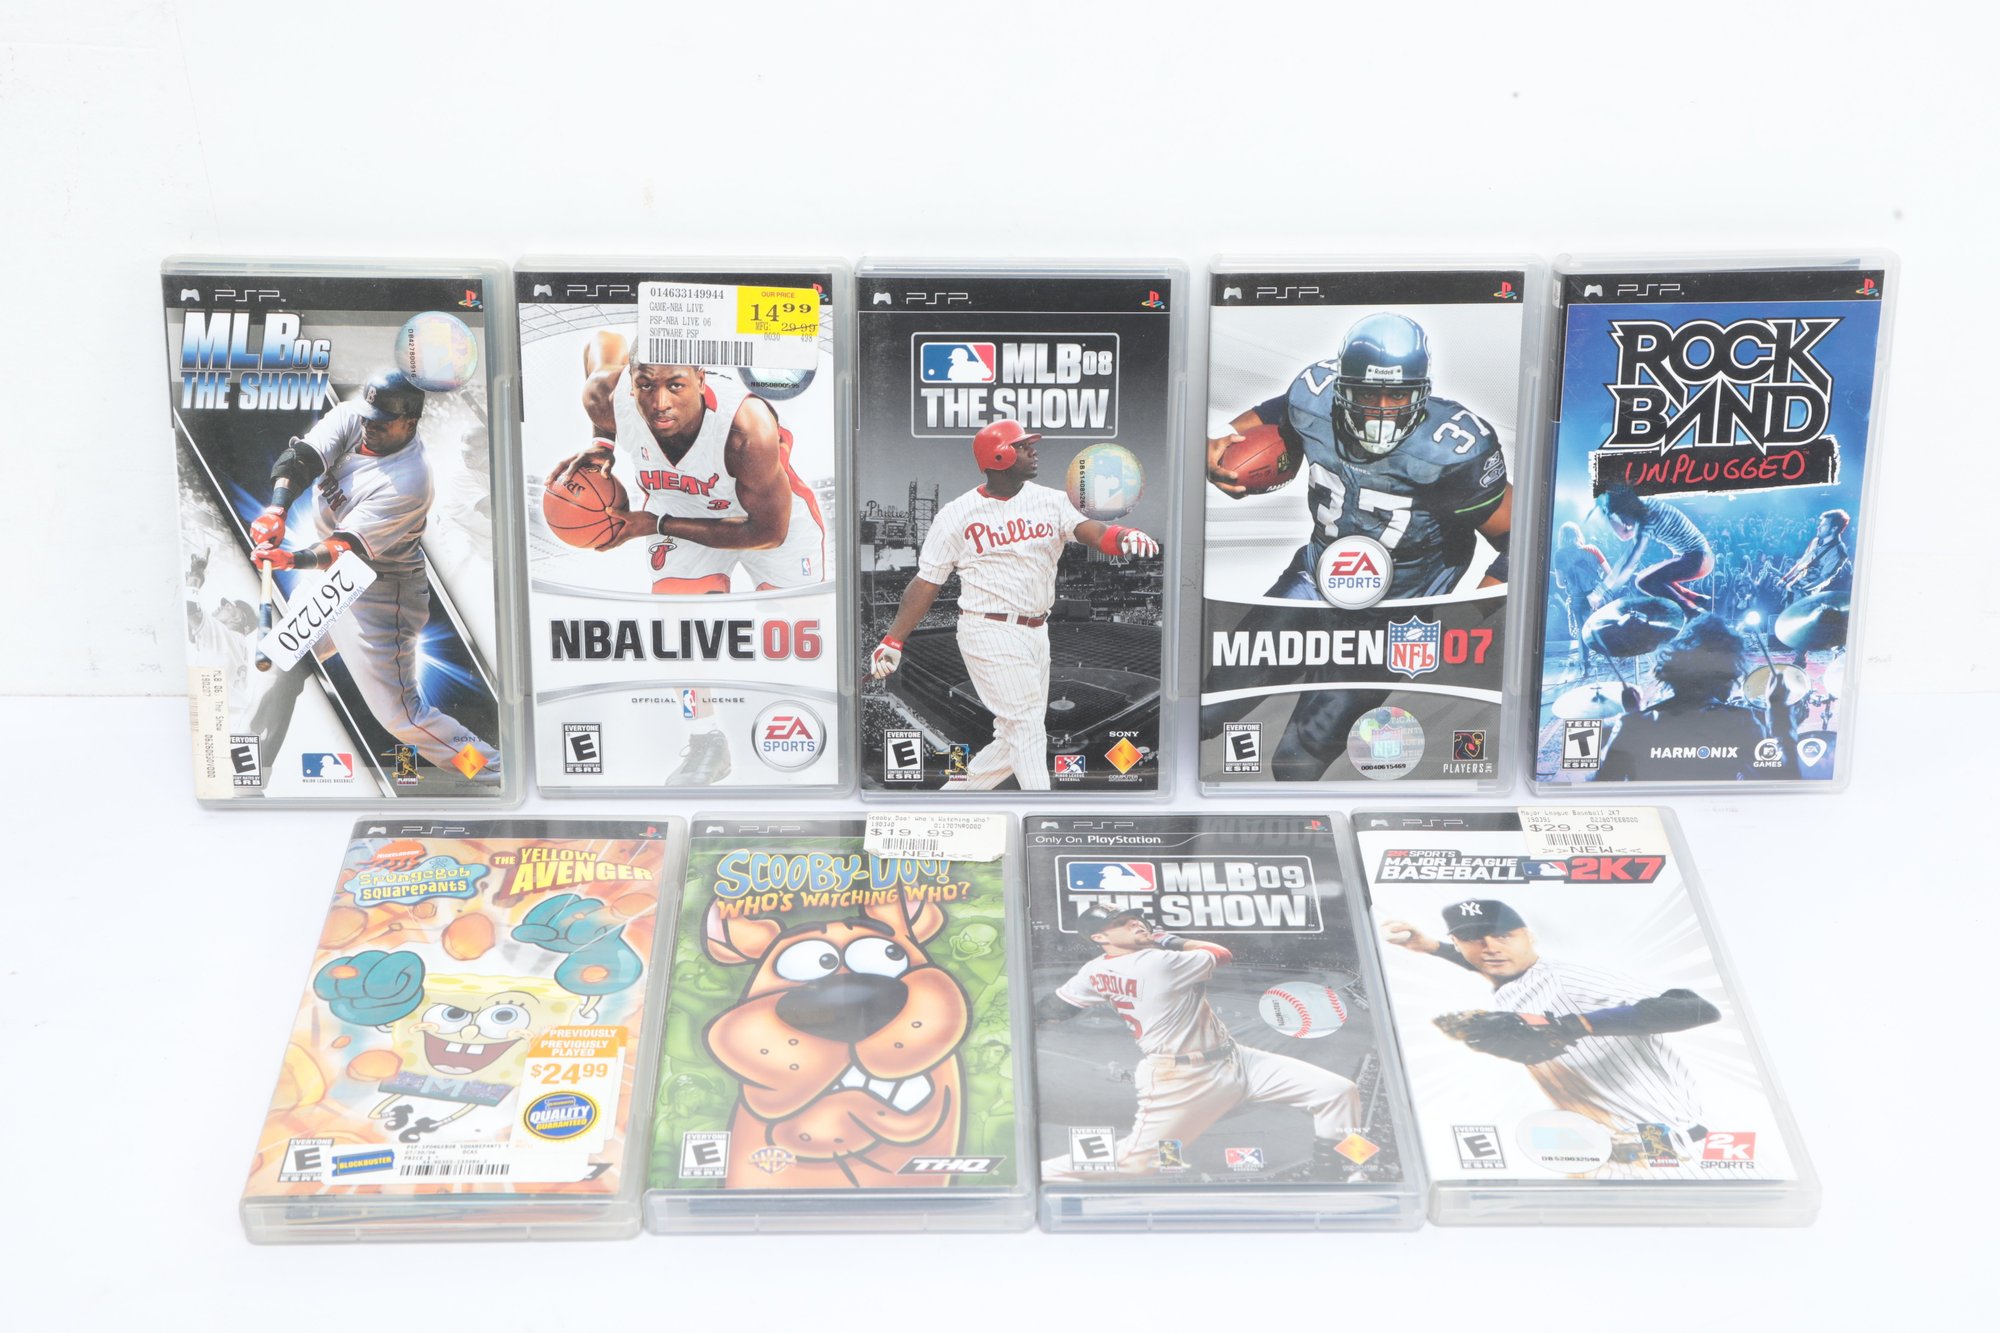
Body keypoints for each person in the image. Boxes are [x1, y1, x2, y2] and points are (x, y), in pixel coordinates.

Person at [1201, 313, 1510, 778]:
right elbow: (1245, 434)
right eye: (1367, 394)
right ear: (1343, 387)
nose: (1381, 410)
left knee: (1295, 761)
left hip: (1395, 615)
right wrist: (1217, 458)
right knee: (1210, 708)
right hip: (1313, 580)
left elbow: (1519, 544)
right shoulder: (1312, 398)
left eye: (1397, 395)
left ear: (1422, 391)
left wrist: (1457, 621)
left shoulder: (1453, 450)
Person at [868, 419, 1160, 791]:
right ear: (1000, 456)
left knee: (1012, 739)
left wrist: (1122, 536)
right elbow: (926, 582)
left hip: (1037, 632)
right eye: (1023, 446)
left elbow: (1093, 532)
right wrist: (893, 639)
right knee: (1027, 728)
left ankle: (944, 804)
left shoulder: (1051, 501)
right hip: (988, 630)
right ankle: (1043, 814)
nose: (1033, 451)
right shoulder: (956, 514)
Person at [248, 369, 500, 786]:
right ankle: (248, 773)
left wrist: (290, 559)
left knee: (403, 719)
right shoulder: (355, 417)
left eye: (382, 422)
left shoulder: (409, 480)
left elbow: (346, 548)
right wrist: (277, 508)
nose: (369, 426)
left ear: (409, 422)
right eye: (368, 416)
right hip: (332, 580)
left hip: (381, 595)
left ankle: (491, 769)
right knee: (279, 664)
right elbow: (301, 458)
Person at [1383, 899, 1719, 1167]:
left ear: (1529, 937)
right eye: (1473, 939)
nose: (1490, 948)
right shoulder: (1511, 978)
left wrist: (1574, 1025)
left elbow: (1696, 1008)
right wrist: (1431, 946)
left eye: (1503, 935)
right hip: (1607, 1148)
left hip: (1672, 1147)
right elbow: (1485, 962)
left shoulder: (1567, 981)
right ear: (1459, 943)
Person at [1040, 906, 1359, 1178]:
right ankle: (1047, 1173)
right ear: (1100, 938)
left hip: (1238, 1059)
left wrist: (1033, 1019)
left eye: (1134, 918)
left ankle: (1335, 1174)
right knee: (1136, 1163)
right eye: (1120, 923)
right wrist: (1168, 938)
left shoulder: (1094, 970)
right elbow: (1220, 953)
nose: (1135, 923)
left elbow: (1059, 1006)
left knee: (1337, 1091)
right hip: (1184, 1078)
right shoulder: (1156, 962)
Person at [1595, 614, 1797, 781]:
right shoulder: (1742, 723)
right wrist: (1779, 714)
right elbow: (1786, 779)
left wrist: (1633, 716)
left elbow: (1602, 785)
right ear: (1728, 673)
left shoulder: (1635, 725)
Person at [1592, 485, 1712, 614]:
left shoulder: (1645, 523)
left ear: (1628, 510)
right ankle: (1698, 600)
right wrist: (1609, 514)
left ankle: (1692, 611)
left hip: (1697, 560)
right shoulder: (1645, 506)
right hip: (1699, 557)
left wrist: (1606, 594)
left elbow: (1629, 563)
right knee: (1649, 576)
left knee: (1643, 581)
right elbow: (1625, 535)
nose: (1623, 523)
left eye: (1621, 517)